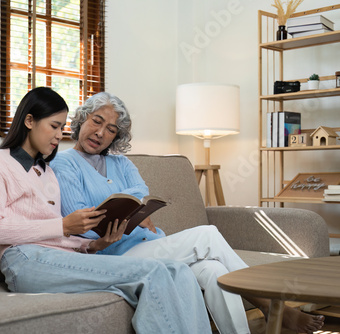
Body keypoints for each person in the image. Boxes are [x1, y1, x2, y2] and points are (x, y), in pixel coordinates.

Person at [50, 91, 325, 334]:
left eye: (111, 129)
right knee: (207, 235)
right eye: (97, 121)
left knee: (215, 270)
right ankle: (271, 305)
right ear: (82, 119)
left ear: (116, 136)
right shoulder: (64, 164)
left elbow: (138, 191)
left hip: (152, 244)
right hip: (115, 254)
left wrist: (134, 208)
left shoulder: (121, 162)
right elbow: (79, 219)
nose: (100, 133)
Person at [0, 87, 211, 334]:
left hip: (61, 257)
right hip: (24, 260)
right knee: (153, 272)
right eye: (54, 126)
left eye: (61, 127)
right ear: (29, 120)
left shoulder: (45, 171)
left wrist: (94, 246)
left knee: (178, 270)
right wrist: (64, 225)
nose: (59, 135)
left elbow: (56, 237)